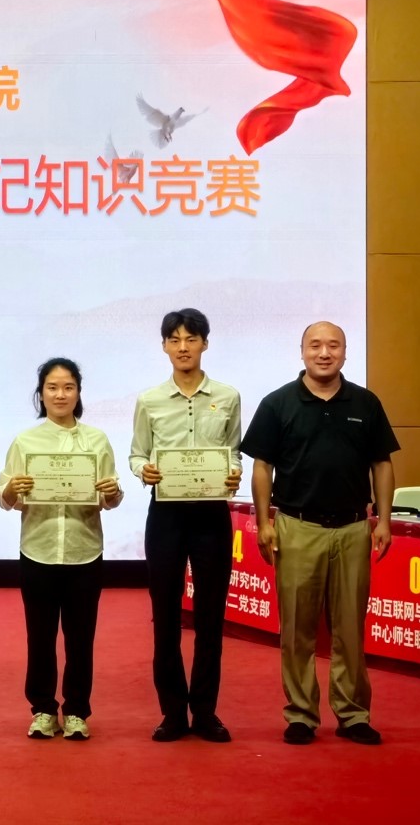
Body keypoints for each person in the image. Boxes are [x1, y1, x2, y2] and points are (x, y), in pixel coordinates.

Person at [240, 321, 398, 746]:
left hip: (352, 528)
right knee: (297, 629)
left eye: (333, 345)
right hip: (297, 526)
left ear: (345, 352)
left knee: (350, 628)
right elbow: (262, 467)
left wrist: (383, 520)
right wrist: (264, 522)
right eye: (315, 345)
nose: (324, 353)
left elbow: (382, 464)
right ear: (302, 351)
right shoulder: (278, 403)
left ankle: (353, 714)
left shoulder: (365, 403)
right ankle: (301, 714)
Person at [129, 308, 242, 743]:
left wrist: (233, 473)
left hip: (211, 514)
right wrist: (144, 470)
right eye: (174, 339)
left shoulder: (227, 396)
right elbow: (137, 453)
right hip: (167, 515)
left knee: (211, 616)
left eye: (191, 339)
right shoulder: (150, 400)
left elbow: (233, 451)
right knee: (166, 615)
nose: (182, 347)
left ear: (205, 344)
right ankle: (173, 712)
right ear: (163, 346)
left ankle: (206, 712)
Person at [0, 358, 123, 741]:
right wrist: (11, 489)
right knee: (40, 637)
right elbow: (4, 497)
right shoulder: (26, 441)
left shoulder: (96, 440)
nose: (60, 394)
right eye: (52, 387)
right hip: (39, 550)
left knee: (81, 639)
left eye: (68, 387)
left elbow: (111, 497)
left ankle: (78, 712)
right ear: (41, 393)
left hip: (85, 551)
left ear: (78, 393)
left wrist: (113, 492)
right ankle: (42, 710)